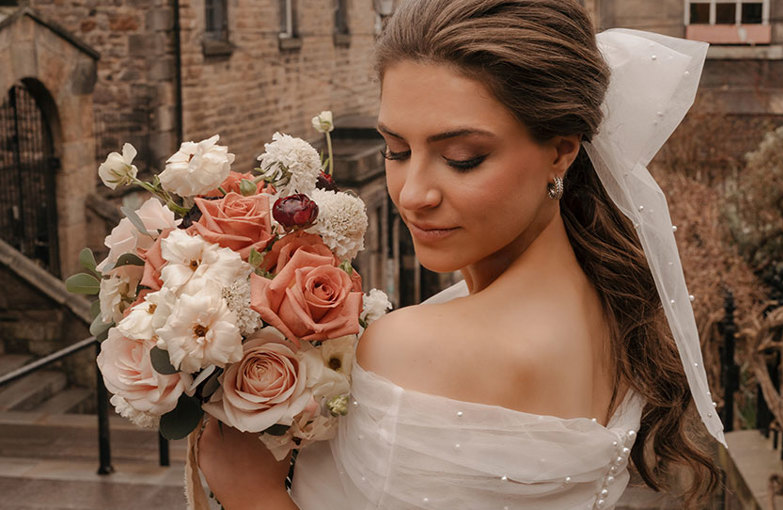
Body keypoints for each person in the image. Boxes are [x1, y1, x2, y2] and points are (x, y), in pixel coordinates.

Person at [197, 1, 726, 508]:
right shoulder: (613, 308)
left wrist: (254, 495)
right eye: (396, 151)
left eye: (462, 158)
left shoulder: (417, 347)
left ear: (561, 151)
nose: (412, 193)